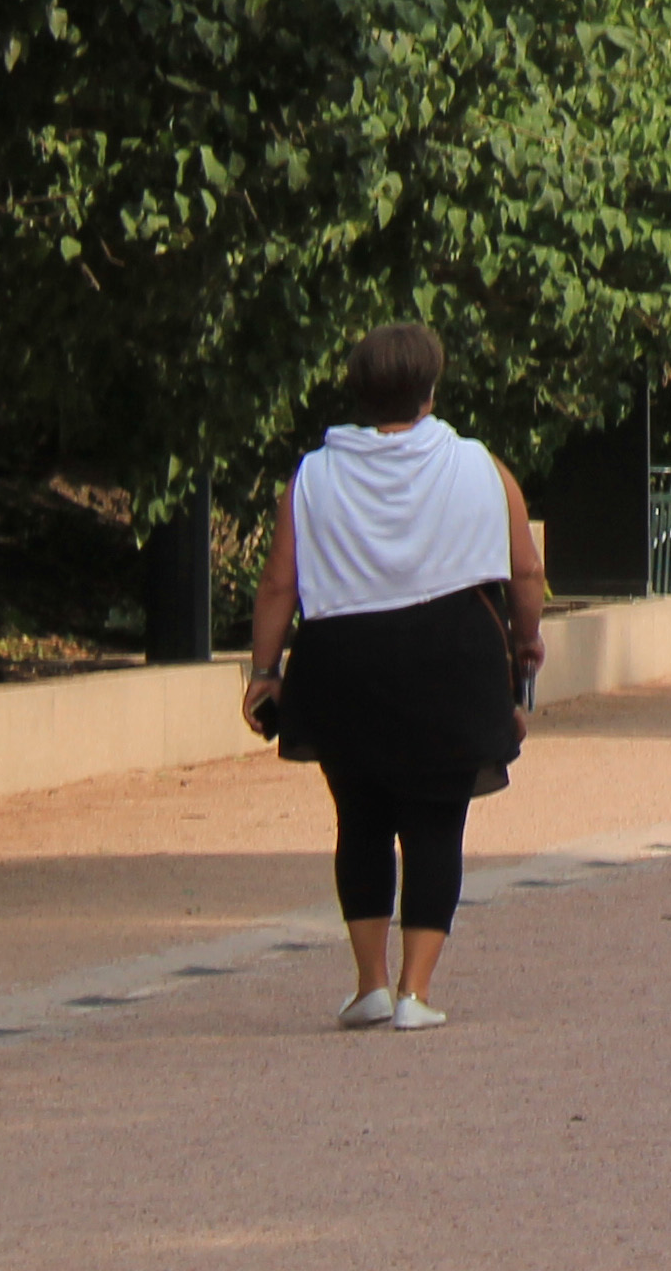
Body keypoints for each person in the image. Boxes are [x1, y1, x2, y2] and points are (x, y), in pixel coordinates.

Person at [244, 322, 541, 1031]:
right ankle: (416, 991)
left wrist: (264, 670)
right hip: (454, 657)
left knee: (362, 820)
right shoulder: (480, 466)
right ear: (431, 388)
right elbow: (524, 568)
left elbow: (279, 586)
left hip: (344, 662)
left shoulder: (314, 474)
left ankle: (369, 982)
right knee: (437, 824)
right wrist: (525, 646)